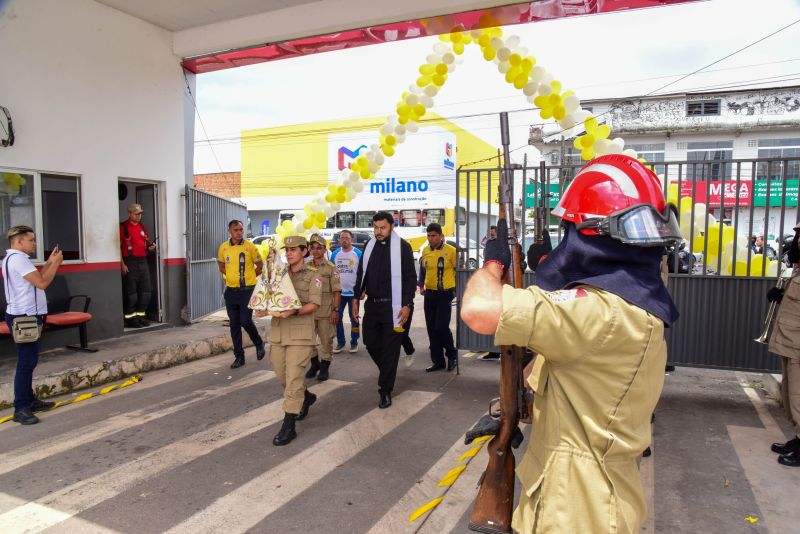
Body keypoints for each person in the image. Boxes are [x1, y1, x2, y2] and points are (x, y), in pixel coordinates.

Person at [461, 154, 681, 533]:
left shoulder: (598, 313)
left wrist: (491, 265)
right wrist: (509, 411)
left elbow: (478, 309)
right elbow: (558, 377)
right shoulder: (636, 303)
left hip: (576, 511)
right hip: (586, 494)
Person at [354, 211, 416, 409]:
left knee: (390, 350)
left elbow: (409, 278)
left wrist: (407, 304)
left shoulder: (403, 247)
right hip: (372, 305)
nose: (378, 232)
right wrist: (357, 296)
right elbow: (362, 272)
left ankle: (385, 390)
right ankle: (387, 372)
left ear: (392, 227)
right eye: (376, 227)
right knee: (370, 343)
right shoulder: (369, 245)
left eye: (383, 228)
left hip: (395, 306)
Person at [3, 226, 63, 425]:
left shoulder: (13, 258)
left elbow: (36, 278)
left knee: (29, 360)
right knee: (26, 362)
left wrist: (48, 263)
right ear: (19, 242)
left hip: (27, 315)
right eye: (31, 240)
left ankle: (29, 400)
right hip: (24, 316)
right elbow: (43, 283)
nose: (34, 243)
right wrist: (56, 264)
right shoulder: (18, 259)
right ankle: (21, 408)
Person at [266, 236, 322, 446]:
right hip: (279, 331)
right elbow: (270, 296)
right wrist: (263, 306)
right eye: (286, 250)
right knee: (282, 376)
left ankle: (288, 426)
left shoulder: (313, 275)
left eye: (293, 250)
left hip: (300, 333)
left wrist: (295, 310)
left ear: (304, 252)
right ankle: (306, 397)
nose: (289, 253)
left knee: (293, 380)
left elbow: (315, 304)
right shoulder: (279, 275)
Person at [767, 221, 800, 467]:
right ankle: (798, 438)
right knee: (791, 389)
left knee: (799, 393)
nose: (796, 242)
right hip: (791, 339)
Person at [217, 219, 265, 369]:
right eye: (236, 230)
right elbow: (221, 265)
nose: (239, 232)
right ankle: (239, 356)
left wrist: (250, 277)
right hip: (231, 291)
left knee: (245, 320)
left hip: (247, 291)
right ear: (229, 231)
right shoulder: (224, 247)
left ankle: (258, 343)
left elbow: (260, 265)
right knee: (234, 325)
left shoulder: (249, 246)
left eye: (241, 230)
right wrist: (232, 276)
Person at [418, 222, 458, 372]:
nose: (431, 238)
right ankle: (438, 361)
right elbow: (423, 270)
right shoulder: (425, 251)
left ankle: (452, 356)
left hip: (445, 293)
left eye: (434, 236)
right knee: (431, 329)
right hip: (430, 293)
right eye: (428, 236)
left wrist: (456, 290)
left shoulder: (451, 251)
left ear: (441, 236)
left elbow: (458, 271)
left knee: (441, 327)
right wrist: (421, 285)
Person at [305, 234, 341, 382]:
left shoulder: (331, 268)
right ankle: (315, 364)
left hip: (326, 311)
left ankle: (325, 367)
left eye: (319, 248)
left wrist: (335, 310)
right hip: (308, 311)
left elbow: (337, 291)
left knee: (326, 341)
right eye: (312, 248)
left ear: (324, 249)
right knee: (308, 340)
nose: (315, 251)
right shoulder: (305, 267)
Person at [120, 203, 156, 328]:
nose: (139, 216)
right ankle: (131, 319)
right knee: (131, 293)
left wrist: (151, 247)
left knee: (146, 291)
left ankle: (141, 316)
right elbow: (118, 247)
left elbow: (146, 243)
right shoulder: (123, 227)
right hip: (129, 261)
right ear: (129, 214)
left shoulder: (142, 226)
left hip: (143, 261)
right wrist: (122, 264)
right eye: (136, 214)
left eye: (140, 213)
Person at [331, 230, 362, 353]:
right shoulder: (335, 254)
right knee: (337, 318)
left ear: (351, 240)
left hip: (353, 294)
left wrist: (362, 290)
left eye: (347, 238)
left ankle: (354, 342)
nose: (344, 240)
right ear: (339, 240)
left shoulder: (358, 253)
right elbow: (332, 273)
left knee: (354, 318)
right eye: (342, 238)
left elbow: (363, 274)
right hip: (339, 293)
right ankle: (341, 342)